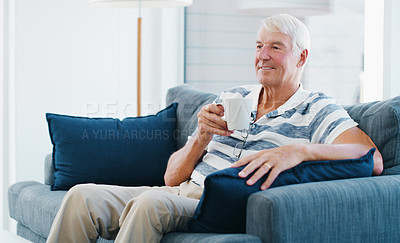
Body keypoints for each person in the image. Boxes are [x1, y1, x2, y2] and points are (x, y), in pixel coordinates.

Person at [46, 14, 383, 243]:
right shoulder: (234, 97)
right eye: (258, 46)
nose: (263, 56)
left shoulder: (317, 108)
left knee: (148, 203)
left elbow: (371, 156)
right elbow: (171, 180)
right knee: (81, 196)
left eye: (276, 47)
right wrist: (201, 136)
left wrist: (299, 150)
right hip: (180, 193)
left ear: (302, 57)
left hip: (218, 202)